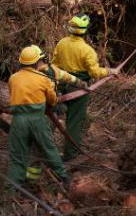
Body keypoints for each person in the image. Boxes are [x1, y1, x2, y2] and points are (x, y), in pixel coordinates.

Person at [51, 14, 119, 161]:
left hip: (62, 84)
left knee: (51, 116)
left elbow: (54, 64)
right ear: (86, 31)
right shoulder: (87, 51)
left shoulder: (61, 43)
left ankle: (44, 148)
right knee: (74, 121)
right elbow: (94, 72)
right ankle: (71, 155)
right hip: (79, 88)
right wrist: (110, 71)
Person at [6, 45, 69, 188]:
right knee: (49, 150)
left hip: (18, 121)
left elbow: (13, 94)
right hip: (37, 120)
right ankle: (65, 179)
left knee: (17, 156)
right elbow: (52, 101)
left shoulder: (13, 78)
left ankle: (12, 190)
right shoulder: (44, 79)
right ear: (36, 62)